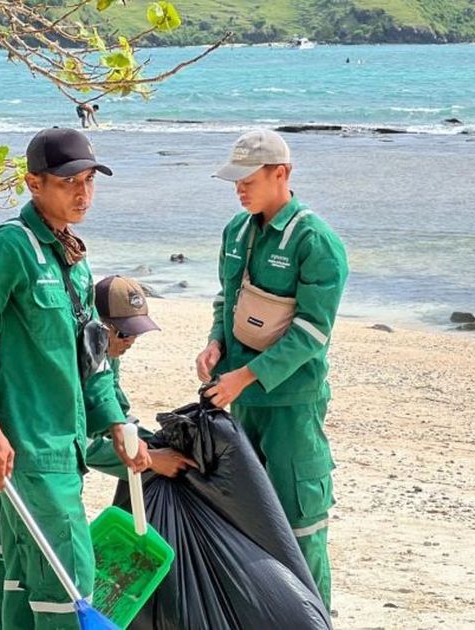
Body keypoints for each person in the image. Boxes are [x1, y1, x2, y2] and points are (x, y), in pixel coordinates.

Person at [0, 126, 149, 628]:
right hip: (27, 447)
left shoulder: (74, 263)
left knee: (26, 581)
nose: (82, 193)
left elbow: (93, 360)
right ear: (34, 184)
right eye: (68, 182)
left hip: (66, 447)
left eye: (89, 181)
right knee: (69, 582)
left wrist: (118, 421)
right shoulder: (9, 248)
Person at [195, 129, 349, 609]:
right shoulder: (235, 232)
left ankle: (314, 617)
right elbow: (227, 299)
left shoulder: (315, 240)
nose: (239, 189)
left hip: (290, 405)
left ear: (281, 174)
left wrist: (248, 375)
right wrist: (215, 343)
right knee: (252, 524)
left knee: (300, 527)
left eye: (248, 180)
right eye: (234, 181)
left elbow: (311, 332)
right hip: (241, 404)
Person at [84, 275, 197, 479]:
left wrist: (152, 443)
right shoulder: (74, 362)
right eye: (125, 333)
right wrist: (151, 459)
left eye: (137, 333)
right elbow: (77, 442)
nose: (131, 341)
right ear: (98, 326)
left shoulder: (109, 354)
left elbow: (117, 413)